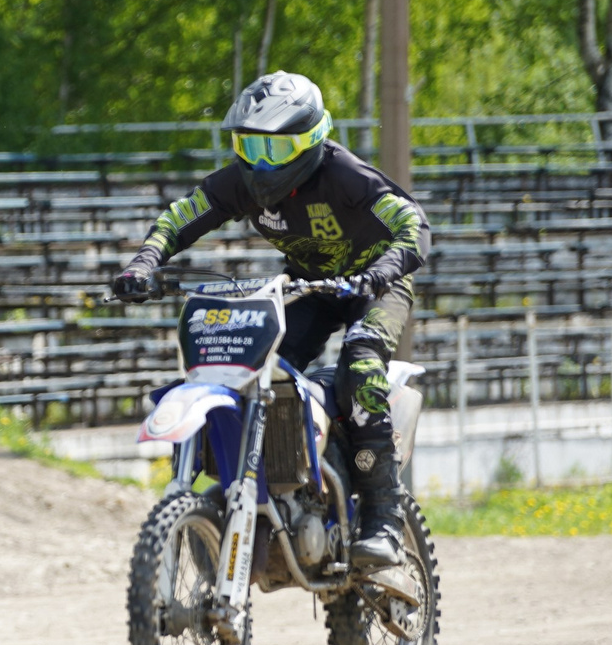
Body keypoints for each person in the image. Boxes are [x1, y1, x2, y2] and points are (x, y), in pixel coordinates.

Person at [111, 71, 430, 567]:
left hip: (375, 286)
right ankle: (277, 489)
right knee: (251, 365)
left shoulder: (345, 175)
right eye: (248, 147)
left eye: (274, 152)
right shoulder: (241, 182)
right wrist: (143, 263)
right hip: (309, 286)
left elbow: (413, 223)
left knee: (362, 363)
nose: (259, 165)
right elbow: (181, 215)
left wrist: (379, 272)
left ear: (309, 143)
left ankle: (383, 517)